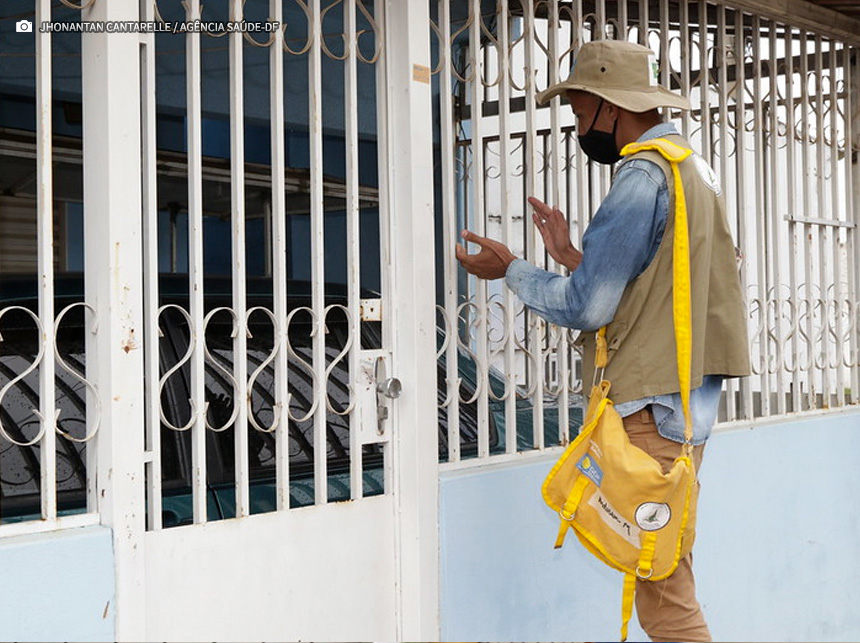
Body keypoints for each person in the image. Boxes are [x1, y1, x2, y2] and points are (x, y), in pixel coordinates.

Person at [455, 39, 750, 642]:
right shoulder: (689, 168)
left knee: (665, 596)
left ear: (609, 107)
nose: (578, 125)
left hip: (649, 411)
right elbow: (654, 283)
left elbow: (587, 307)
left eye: (579, 111)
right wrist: (571, 256)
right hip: (685, 406)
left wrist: (510, 269)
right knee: (664, 567)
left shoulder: (641, 177)